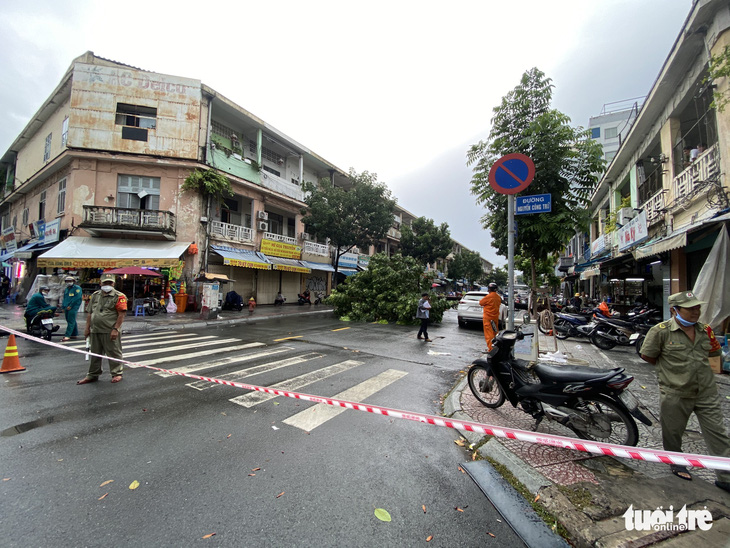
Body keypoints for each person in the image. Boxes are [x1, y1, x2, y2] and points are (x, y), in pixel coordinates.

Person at [640, 291, 730, 493]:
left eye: (697, 307)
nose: (696, 312)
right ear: (675, 310)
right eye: (690, 309)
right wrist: (672, 374)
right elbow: (648, 356)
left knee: (718, 434)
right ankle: (677, 462)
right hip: (676, 392)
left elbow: (714, 354)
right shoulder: (660, 331)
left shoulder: (705, 330)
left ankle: (725, 477)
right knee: (672, 433)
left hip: (706, 391)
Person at [78, 273, 127, 385]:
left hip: (110, 330)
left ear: (113, 283)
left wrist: (115, 329)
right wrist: (87, 328)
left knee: (114, 352)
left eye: (109, 283)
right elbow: (90, 313)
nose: (107, 285)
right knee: (95, 354)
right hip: (95, 330)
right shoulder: (95, 295)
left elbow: (121, 315)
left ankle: (117, 373)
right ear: (100, 283)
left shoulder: (119, 296)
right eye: (105, 283)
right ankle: (93, 374)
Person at [479, 282, 502, 351]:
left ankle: (491, 349)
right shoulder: (498, 297)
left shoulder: (489, 296)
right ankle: (497, 346)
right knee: (495, 332)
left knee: (489, 334)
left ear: (489, 289)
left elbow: (481, 303)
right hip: (495, 317)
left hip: (488, 318)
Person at [61, 276, 82, 341]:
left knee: (71, 321)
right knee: (70, 320)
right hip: (66, 306)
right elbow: (65, 298)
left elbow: (77, 298)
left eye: (70, 281)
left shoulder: (77, 288)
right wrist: (63, 307)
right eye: (67, 281)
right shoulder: (67, 289)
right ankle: (74, 334)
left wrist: (71, 305)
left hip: (73, 307)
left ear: (73, 282)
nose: (68, 283)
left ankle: (68, 335)